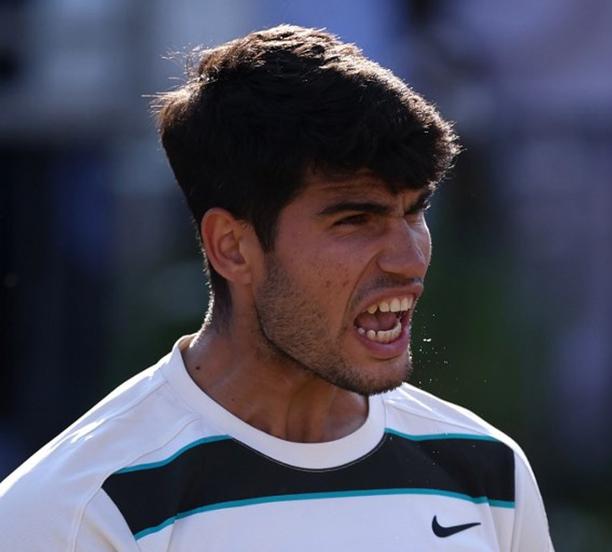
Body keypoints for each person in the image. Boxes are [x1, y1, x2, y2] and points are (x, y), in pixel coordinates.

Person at [0, 25, 553, 551]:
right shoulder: (78, 514)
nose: (409, 259)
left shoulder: (488, 473)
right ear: (232, 248)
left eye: (415, 211)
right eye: (355, 220)